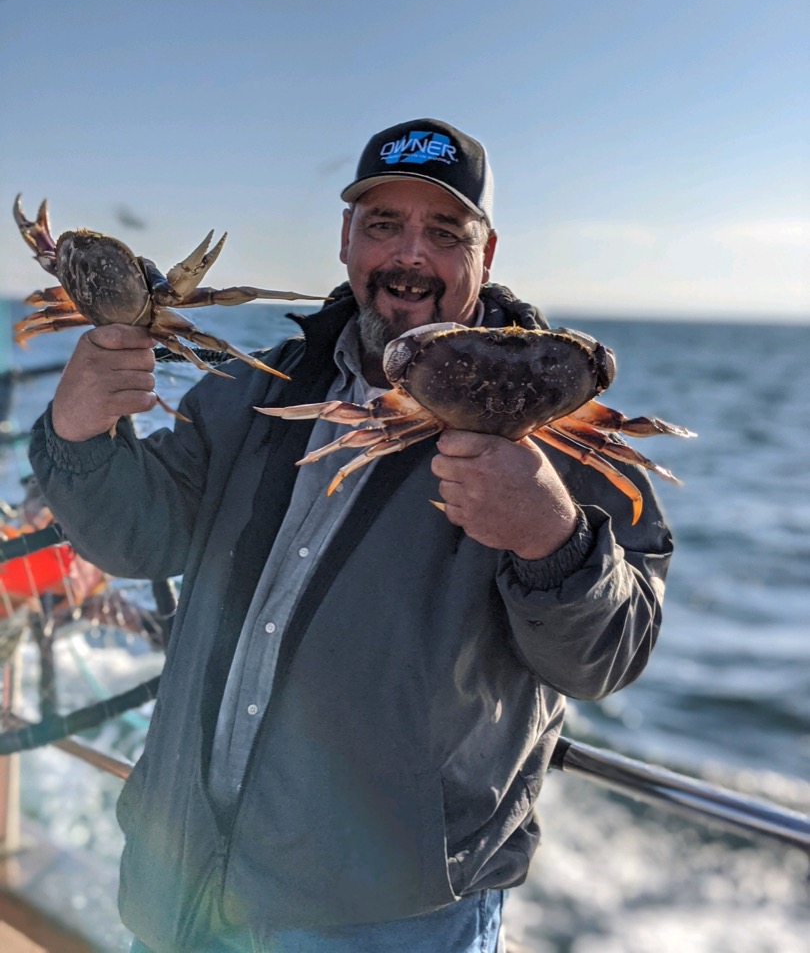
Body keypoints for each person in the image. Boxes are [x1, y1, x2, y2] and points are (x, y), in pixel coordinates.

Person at [29, 118, 673, 953]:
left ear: (487, 251)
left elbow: (609, 658)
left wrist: (551, 536)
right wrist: (77, 433)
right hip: (183, 872)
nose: (410, 255)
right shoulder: (247, 388)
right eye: (383, 225)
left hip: (385, 914)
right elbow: (139, 537)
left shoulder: (553, 419)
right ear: (345, 240)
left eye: (444, 232)